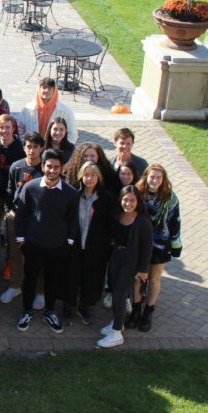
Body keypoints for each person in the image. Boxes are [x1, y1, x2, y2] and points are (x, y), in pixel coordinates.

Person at [14, 149, 79, 334]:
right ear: (42, 166)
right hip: (33, 245)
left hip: (57, 246)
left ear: (62, 168)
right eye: (49, 166)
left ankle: (49, 311)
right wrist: (21, 239)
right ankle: (26, 311)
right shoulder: (30, 187)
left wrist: (69, 242)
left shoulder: (70, 193)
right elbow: (21, 214)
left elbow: (72, 220)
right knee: (30, 279)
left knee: (52, 281)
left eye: (56, 167)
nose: (52, 170)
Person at [98, 186, 152, 348]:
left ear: (138, 202)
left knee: (120, 295)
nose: (128, 203)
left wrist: (143, 270)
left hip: (131, 262)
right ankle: (117, 321)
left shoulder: (143, 220)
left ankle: (116, 334)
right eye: (125, 199)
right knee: (115, 291)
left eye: (132, 200)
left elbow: (147, 246)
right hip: (116, 258)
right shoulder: (118, 215)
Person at [130, 164, 182, 333]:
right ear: (146, 177)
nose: (155, 180)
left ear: (163, 180)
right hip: (139, 242)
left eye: (159, 177)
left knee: (154, 278)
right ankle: (136, 309)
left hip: (160, 243)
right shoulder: (137, 193)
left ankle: (148, 311)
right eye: (152, 177)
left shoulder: (170, 198)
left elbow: (175, 221)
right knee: (137, 277)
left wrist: (175, 244)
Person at [65, 161, 115, 326]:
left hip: (95, 248)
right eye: (86, 175)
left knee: (91, 278)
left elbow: (109, 225)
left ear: (98, 177)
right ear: (81, 176)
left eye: (93, 175)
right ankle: (69, 307)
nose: (89, 178)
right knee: (71, 277)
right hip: (75, 247)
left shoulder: (105, 198)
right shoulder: (73, 195)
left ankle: (85, 307)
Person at [1, 131, 45, 305]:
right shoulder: (16, 166)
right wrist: (9, 210)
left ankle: (40, 290)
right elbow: (10, 190)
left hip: (37, 221)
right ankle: (15, 285)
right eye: (28, 146)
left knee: (37, 256)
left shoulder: (44, 170)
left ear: (41, 148)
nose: (31, 150)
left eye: (35, 147)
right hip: (16, 218)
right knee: (15, 254)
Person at [18, 77, 78, 144]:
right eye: (44, 87)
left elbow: (72, 134)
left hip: (54, 150)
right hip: (33, 149)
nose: (46, 91)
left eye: (50, 88)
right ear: (39, 89)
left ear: (54, 91)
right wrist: (25, 145)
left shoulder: (65, 111)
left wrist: (64, 149)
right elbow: (20, 130)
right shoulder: (27, 109)